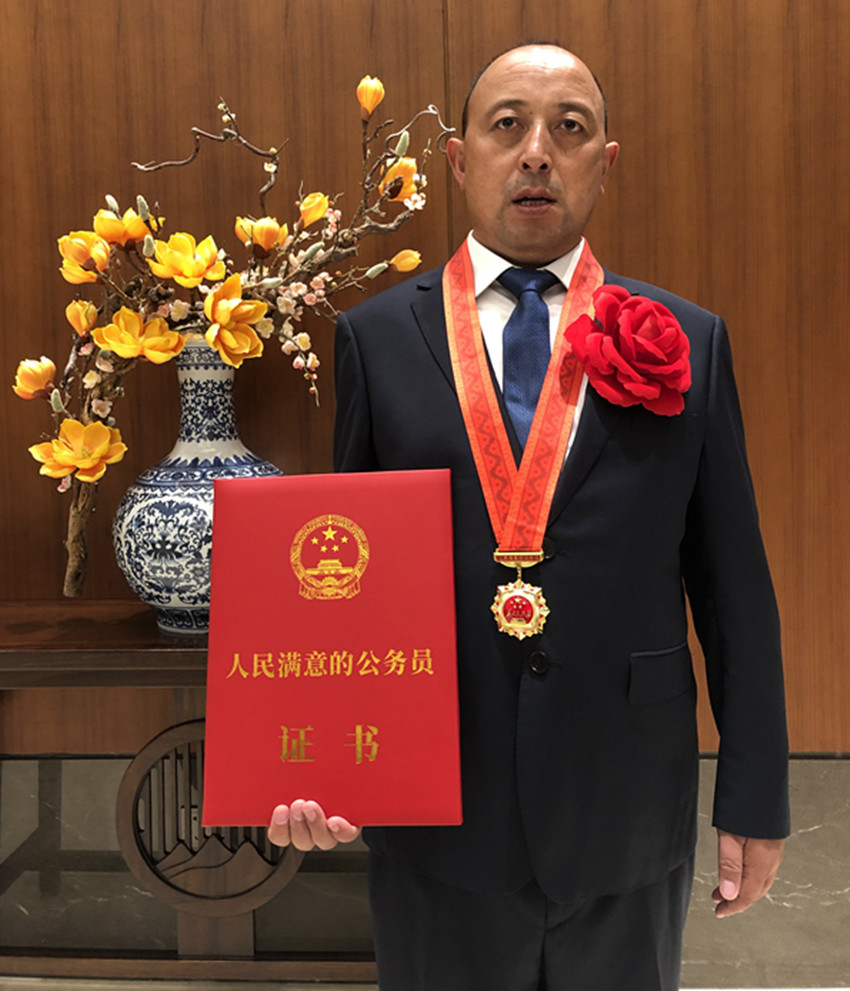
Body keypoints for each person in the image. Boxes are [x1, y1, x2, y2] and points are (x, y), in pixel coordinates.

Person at [268, 43, 789, 990]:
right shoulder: (376, 340)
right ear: (460, 159)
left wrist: (756, 795)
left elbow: (734, 589)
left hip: (625, 799)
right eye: (507, 125)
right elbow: (340, 585)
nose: (537, 151)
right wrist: (322, 767)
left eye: (569, 128)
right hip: (436, 810)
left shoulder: (690, 340)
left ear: (606, 162)